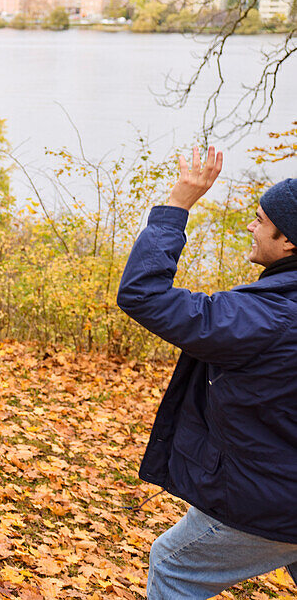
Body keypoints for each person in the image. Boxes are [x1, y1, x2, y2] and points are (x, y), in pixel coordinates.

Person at [117, 146, 297, 599]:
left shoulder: (268, 317)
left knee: (175, 565)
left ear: (289, 241)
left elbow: (144, 295)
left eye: (260, 219)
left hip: (275, 499)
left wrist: (178, 204)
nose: (251, 226)